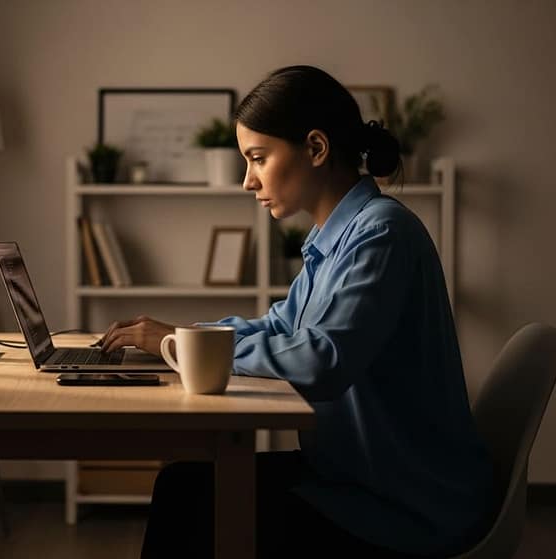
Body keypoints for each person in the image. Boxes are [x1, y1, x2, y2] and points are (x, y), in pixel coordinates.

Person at [99, 65, 495, 558]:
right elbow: (282, 327)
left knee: (190, 502)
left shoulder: (381, 232)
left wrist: (176, 344)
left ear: (315, 148)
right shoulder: (334, 238)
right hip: (355, 476)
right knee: (181, 485)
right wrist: (181, 336)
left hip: (402, 503)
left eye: (258, 159)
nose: (247, 181)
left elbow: (321, 361)